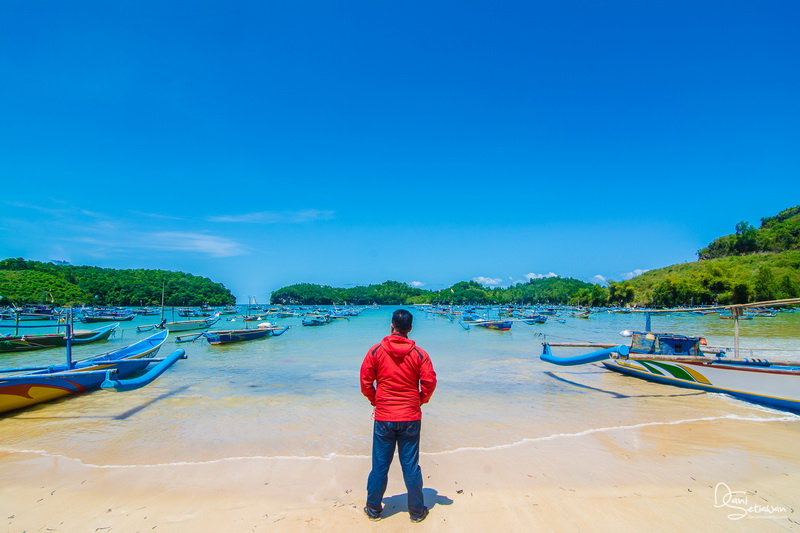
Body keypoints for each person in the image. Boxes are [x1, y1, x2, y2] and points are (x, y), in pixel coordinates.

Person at [360, 309, 437, 523]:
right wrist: (420, 400)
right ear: (410, 329)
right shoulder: (420, 354)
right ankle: (416, 512)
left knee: (380, 466)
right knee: (410, 465)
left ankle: (374, 509)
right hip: (410, 417)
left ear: (391, 325)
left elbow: (365, 383)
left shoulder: (375, 351)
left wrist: (376, 400)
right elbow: (430, 382)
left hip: (384, 416)